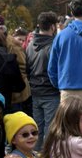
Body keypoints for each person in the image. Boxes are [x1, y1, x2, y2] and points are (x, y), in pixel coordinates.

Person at [25, 12, 60, 148]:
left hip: (35, 91)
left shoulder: (30, 45)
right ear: (53, 27)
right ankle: (47, 156)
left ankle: (35, 154)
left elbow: (27, 68)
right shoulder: (53, 46)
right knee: (50, 129)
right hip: (51, 92)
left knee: (36, 128)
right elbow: (56, 70)